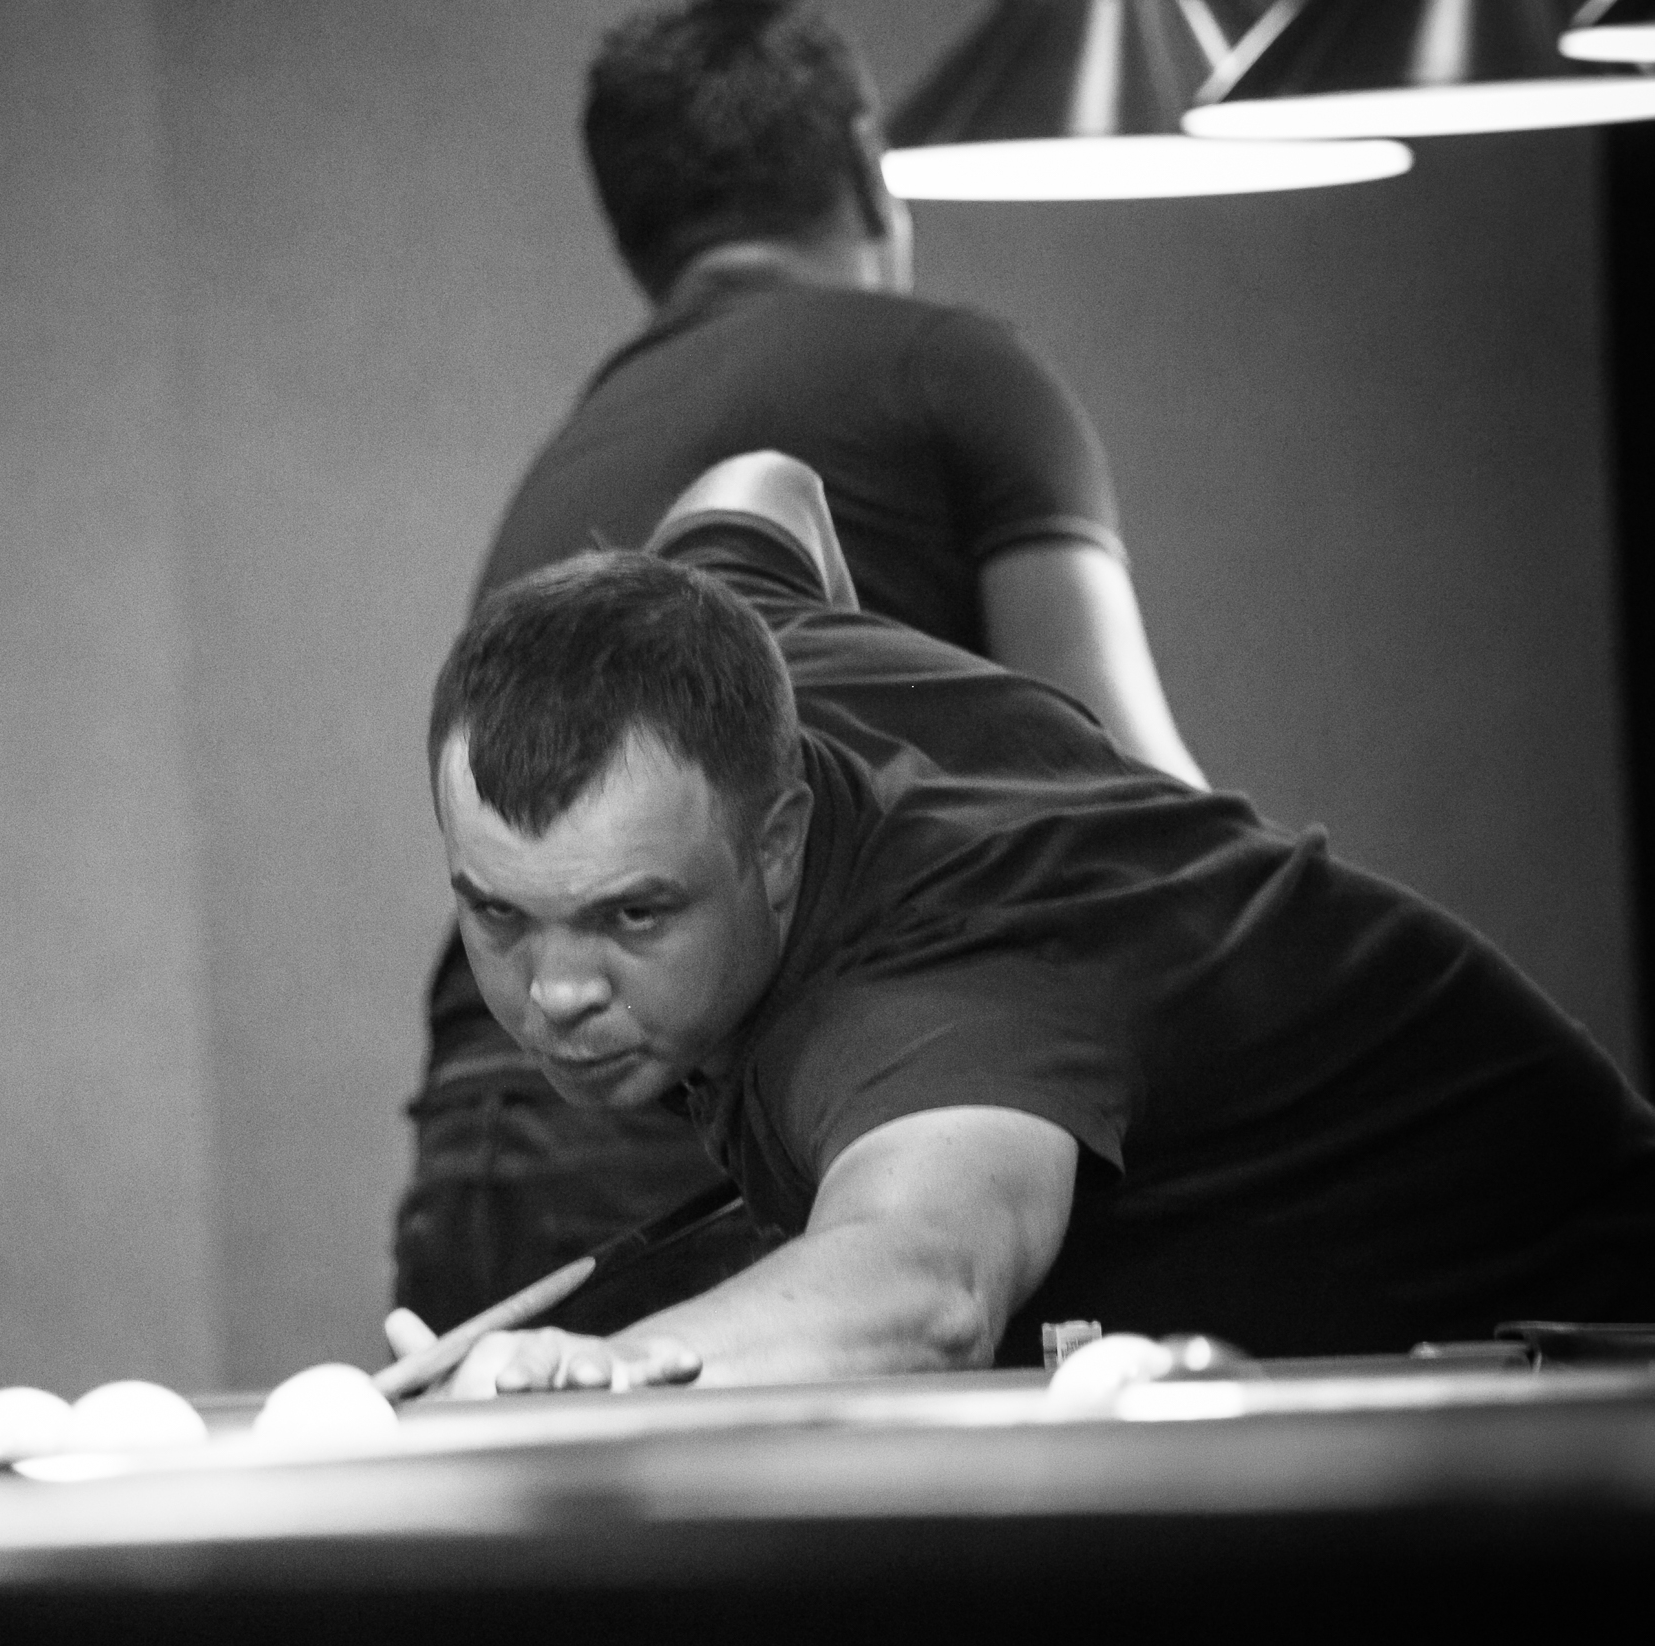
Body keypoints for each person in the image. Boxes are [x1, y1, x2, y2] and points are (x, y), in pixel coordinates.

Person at [417, 452, 1655, 1395]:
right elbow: (761, 483)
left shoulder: (930, 995)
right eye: (499, 913)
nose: (554, 991)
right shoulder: (732, 650)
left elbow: (926, 1286)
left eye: (632, 912)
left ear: (778, 841)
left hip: (1592, 1348)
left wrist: (604, 1376)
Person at [395, 0, 1201, 1329]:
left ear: (637, 233)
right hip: (705, 1113)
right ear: (869, 163)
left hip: (482, 1135)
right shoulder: (953, 366)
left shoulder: (594, 434)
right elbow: (1136, 809)